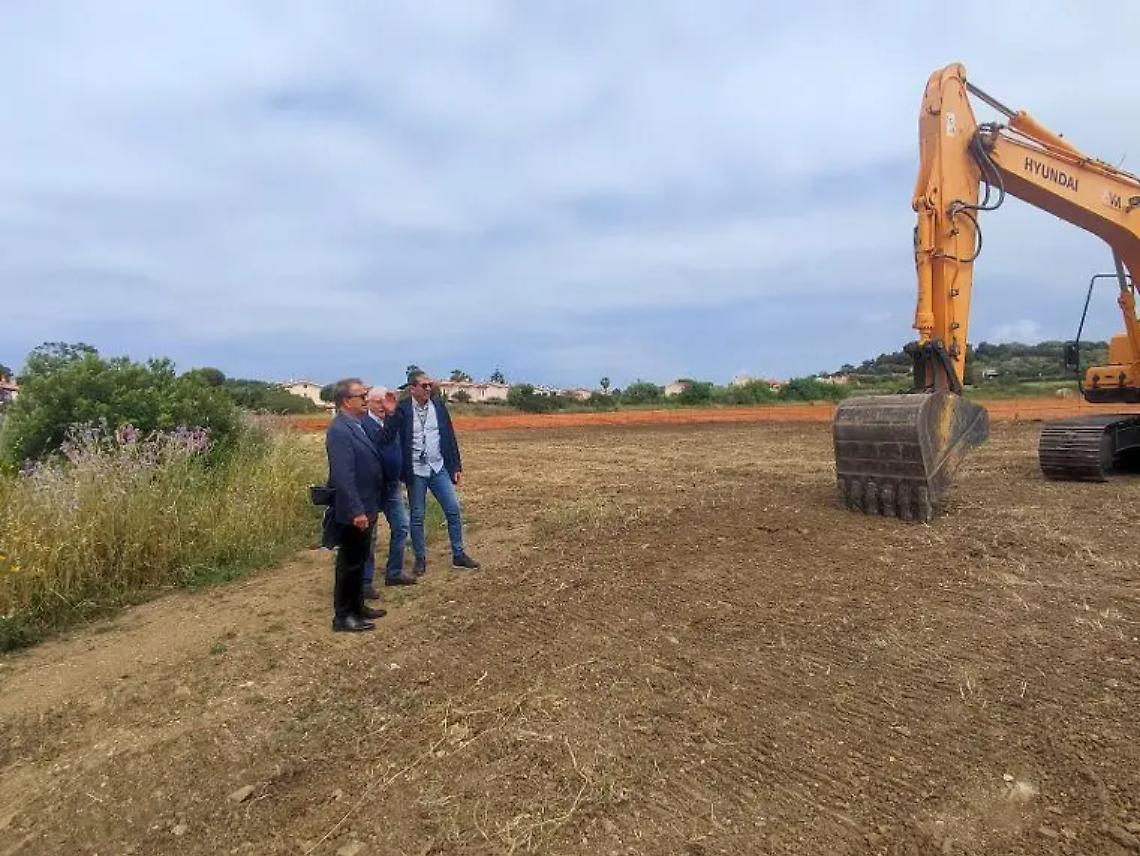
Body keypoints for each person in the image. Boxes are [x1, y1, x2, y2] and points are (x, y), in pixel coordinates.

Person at [383, 369, 480, 574]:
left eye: (430, 385)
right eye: (424, 385)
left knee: (453, 509)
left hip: (438, 467)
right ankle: (420, 559)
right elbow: (388, 436)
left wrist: (456, 466)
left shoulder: (438, 405)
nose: (429, 388)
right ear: (413, 388)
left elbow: (449, 437)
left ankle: (459, 554)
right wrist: (390, 414)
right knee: (417, 516)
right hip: (416, 470)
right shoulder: (402, 409)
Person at [324, 378, 387, 632]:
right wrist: (356, 511)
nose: (366, 398)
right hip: (354, 510)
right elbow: (343, 476)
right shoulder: (339, 431)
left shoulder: (357, 425)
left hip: (367, 504)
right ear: (345, 401)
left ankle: (357, 606)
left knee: (360, 560)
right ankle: (343, 616)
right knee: (349, 563)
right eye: (361, 395)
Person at [361, 386, 415, 590]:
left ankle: (393, 572)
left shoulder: (393, 422)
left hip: (392, 486)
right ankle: (365, 581)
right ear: (369, 403)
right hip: (372, 488)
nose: (383, 406)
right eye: (378, 402)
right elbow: (380, 444)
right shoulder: (364, 425)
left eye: (386, 401)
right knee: (370, 535)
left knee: (401, 526)